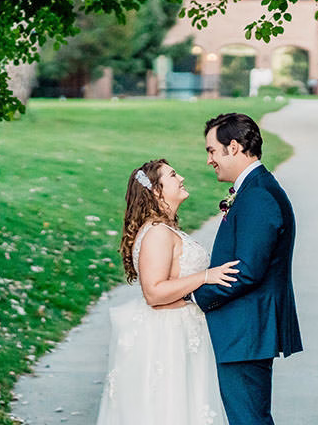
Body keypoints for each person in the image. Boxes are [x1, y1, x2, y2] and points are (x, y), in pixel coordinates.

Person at [96, 159, 239, 425]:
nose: (181, 177)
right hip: (167, 336)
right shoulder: (157, 233)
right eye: (173, 175)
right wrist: (206, 277)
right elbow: (154, 292)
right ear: (156, 191)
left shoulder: (165, 229)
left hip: (183, 331)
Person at [193, 113, 303, 425]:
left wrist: (197, 296)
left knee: (249, 420)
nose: (209, 160)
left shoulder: (257, 196)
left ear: (235, 147)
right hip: (244, 331)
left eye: (212, 150)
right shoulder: (256, 189)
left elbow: (247, 270)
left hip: (245, 331)